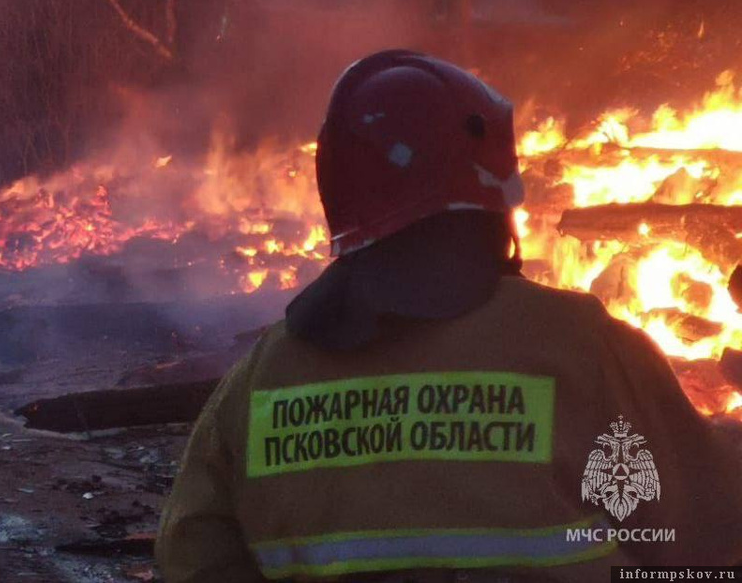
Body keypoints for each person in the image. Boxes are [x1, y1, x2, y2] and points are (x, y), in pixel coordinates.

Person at [156, 49, 742, 582]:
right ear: (495, 199)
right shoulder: (582, 346)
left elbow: (191, 559)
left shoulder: (261, 377)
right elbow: (709, 530)